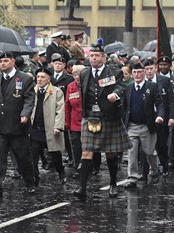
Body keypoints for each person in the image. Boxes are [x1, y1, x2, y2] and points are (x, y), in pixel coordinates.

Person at [73, 39, 131, 200]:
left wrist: (115, 95)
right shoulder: (84, 73)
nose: (94, 59)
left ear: (104, 57)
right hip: (90, 117)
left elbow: (121, 87)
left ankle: (113, 183)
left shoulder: (114, 72)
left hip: (109, 117)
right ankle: (82, 188)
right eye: (91, 56)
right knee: (87, 152)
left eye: (97, 56)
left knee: (110, 153)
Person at [0, 52, 36, 198]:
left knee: (23, 158)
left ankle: (30, 183)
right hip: (0, 126)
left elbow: (29, 99)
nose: (3, 64)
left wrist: (25, 114)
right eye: (1, 61)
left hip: (17, 126)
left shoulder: (25, 79)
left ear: (13, 61)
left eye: (6, 61)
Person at [123, 62, 164, 189]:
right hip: (132, 126)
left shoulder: (152, 86)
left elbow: (160, 103)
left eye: (140, 72)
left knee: (149, 152)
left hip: (147, 125)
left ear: (144, 73)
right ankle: (132, 177)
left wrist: (160, 116)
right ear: (132, 74)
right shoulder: (128, 88)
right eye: (134, 72)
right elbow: (125, 106)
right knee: (132, 152)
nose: (137, 75)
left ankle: (155, 170)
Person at [30, 67, 66, 186]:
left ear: (49, 79)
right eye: (38, 77)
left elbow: (60, 110)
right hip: (35, 129)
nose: (39, 79)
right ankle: (35, 177)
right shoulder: (32, 91)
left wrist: (58, 127)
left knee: (55, 155)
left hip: (50, 129)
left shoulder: (56, 92)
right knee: (33, 156)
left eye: (42, 77)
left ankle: (61, 172)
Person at [141, 58, 174, 178]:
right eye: (146, 69)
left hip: (162, 116)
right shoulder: (142, 82)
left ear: (155, 68)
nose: (149, 71)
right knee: (144, 145)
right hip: (147, 117)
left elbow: (171, 101)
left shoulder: (164, 80)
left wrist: (172, 117)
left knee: (161, 144)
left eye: (151, 69)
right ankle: (144, 172)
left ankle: (164, 167)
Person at [157, 55, 174, 169]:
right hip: (158, 113)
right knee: (158, 139)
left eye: (165, 65)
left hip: (170, 112)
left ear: (169, 65)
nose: (163, 67)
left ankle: (171, 159)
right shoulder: (155, 79)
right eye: (161, 65)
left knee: (171, 138)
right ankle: (160, 160)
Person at [65, 65, 85, 178]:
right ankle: (78, 166)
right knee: (76, 145)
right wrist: (66, 122)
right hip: (74, 121)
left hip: (87, 120)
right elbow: (67, 105)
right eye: (74, 75)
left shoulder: (88, 85)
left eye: (79, 74)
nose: (76, 77)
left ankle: (92, 166)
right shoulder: (70, 87)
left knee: (89, 146)